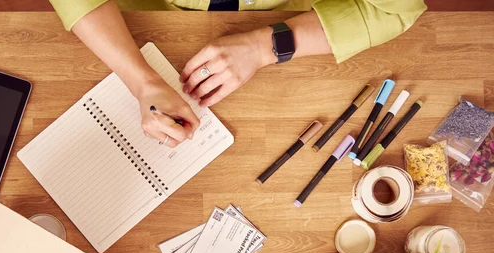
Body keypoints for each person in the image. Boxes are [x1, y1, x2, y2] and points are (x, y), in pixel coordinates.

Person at [49, 0, 427, 148]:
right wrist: (141, 79)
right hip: (138, 18)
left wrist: (267, 45)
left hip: (290, 20)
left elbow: (396, 8)